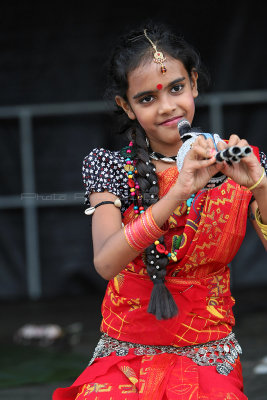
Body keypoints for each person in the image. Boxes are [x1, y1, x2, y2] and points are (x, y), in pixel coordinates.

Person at [53, 22, 267, 400]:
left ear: (195, 84)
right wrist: (178, 192)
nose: (168, 106)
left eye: (177, 88)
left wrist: (260, 186)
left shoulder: (242, 163)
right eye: (147, 98)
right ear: (127, 106)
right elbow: (105, 264)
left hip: (208, 357)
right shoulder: (110, 166)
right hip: (124, 360)